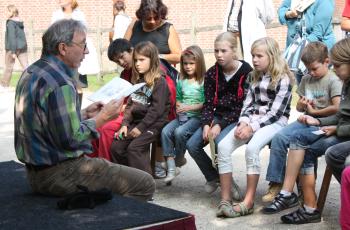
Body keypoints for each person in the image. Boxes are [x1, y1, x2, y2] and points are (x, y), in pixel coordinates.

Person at [14, 19, 155, 201]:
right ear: (63, 48)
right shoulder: (61, 82)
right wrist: (102, 118)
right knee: (145, 184)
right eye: (83, 45)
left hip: (34, 174)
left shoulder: (31, 72)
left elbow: (47, 123)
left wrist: (84, 114)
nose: (86, 51)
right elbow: (70, 139)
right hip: (60, 173)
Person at [263, 37, 350, 224]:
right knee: (297, 143)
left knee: (303, 140)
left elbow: (340, 114)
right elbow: (343, 114)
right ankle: (307, 206)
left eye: (337, 66)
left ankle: (288, 194)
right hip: (333, 127)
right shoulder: (346, 82)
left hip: (341, 132)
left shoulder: (336, 81)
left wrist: (332, 127)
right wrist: (313, 118)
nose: (335, 70)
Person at [216, 37, 294, 218]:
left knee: (251, 148)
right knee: (223, 147)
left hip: (274, 122)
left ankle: (248, 201)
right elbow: (247, 104)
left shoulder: (284, 78)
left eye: (259, 56)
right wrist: (243, 122)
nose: (255, 60)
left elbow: (275, 114)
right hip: (252, 120)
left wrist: (251, 127)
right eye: (253, 56)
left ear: (272, 56)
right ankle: (225, 199)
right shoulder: (253, 76)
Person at [186, 32, 252, 197]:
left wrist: (219, 125)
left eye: (223, 51)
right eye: (216, 51)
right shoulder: (211, 73)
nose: (219, 55)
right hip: (218, 115)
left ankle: (227, 186)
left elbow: (242, 106)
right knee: (192, 145)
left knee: (220, 141)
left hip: (239, 117)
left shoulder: (247, 72)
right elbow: (208, 103)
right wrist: (207, 124)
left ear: (234, 51)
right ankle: (215, 177)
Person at [110, 41, 170, 175]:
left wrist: (140, 128)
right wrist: (125, 124)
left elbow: (156, 111)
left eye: (142, 60)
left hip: (154, 125)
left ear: (152, 59)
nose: (137, 63)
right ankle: (129, 179)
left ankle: (146, 187)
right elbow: (131, 105)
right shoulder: (138, 82)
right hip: (137, 123)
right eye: (136, 60)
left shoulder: (160, 82)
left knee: (134, 148)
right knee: (116, 147)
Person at [161, 45, 206, 183]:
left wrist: (189, 107)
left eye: (192, 63)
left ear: (199, 63)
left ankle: (178, 160)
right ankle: (171, 165)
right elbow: (179, 97)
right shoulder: (182, 80)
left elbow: (205, 103)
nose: (188, 66)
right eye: (185, 63)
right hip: (182, 116)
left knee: (180, 132)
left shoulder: (203, 81)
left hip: (197, 117)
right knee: (165, 131)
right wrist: (179, 105)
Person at [89, 39, 133, 161]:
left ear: (131, 50)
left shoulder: (143, 70)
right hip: (122, 110)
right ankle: (93, 164)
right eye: (117, 61)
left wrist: (122, 108)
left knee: (106, 129)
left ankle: (106, 166)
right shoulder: (125, 74)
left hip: (132, 113)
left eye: (122, 57)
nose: (121, 62)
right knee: (95, 124)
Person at [278, 0, 335, 84]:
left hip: (317, 51)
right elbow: (281, 12)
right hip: (297, 48)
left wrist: (299, 53)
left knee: (318, 89)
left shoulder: (324, 1)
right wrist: (289, 14)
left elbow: (317, 33)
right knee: (302, 88)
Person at [52, 0, 100, 87]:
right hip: (62, 51)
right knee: (63, 82)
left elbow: (84, 32)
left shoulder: (79, 14)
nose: (59, 0)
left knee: (78, 84)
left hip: (76, 50)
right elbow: (52, 33)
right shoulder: (56, 15)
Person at [124, 0, 182, 65]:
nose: (153, 21)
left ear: (161, 15)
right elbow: (123, 49)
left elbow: (178, 57)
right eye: (148, 18)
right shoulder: (134, 25)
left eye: (156, 18)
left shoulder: (167, 29)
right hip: (134, 72)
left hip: (159, 73)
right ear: (142, 16)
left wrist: (156, 57)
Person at [223, 0, 275, 65]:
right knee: (235, 68)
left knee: (252, 66)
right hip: (232, 38)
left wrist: (254, 26)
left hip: (250, 37)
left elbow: (269, 15)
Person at [1, 4, 28, 88]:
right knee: (26, 67)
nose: (5, 13)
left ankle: (4, 85)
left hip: (12, 48)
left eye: (7, 11)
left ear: (12, 12)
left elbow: (12, 37)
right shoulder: (20, 22)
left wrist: (13, 51)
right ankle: (31, 83)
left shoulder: (10, 23)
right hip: (22, 47)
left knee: (8, 67)